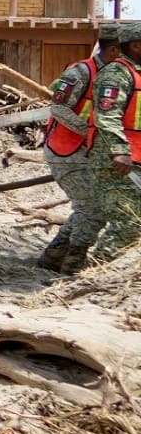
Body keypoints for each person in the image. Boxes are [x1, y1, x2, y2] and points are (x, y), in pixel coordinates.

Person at [38, 27, 117, 272]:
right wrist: (89, 132)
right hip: (66, 151)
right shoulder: (80, 73)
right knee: (93, 208)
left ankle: (53, 257)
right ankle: (73, 264)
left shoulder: (118, 76)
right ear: (114, 50)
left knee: (88, 207)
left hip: (90, 152)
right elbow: (58, 108)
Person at [84, 22, 141, 269]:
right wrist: (120, 150)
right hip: (115, 161)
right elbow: (107, 116)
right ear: (136, 46)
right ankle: (98, 273)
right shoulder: (116, 74)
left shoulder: (136, 73)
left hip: (133, 158)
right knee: (129, 221)